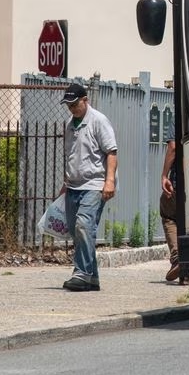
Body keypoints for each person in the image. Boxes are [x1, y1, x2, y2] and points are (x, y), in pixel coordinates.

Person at [59, 83, 118, 292]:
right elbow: (71, 156)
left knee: (84, 225)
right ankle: (92, 278)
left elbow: (111, 152)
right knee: (77, 230)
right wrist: (65, 184)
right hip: (73, 185)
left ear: (85, 100)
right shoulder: (69, 125)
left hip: (95, 184)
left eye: (75, 104)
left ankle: (81, 273)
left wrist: (109, 181)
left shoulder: (98, 121)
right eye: (69, 106)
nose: (72, 109)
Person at [159, 135, 181, 282]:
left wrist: (164, 175)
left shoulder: (177, 121)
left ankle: (177, 257)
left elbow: (173, 147)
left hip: (179, 181)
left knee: (169, 216)